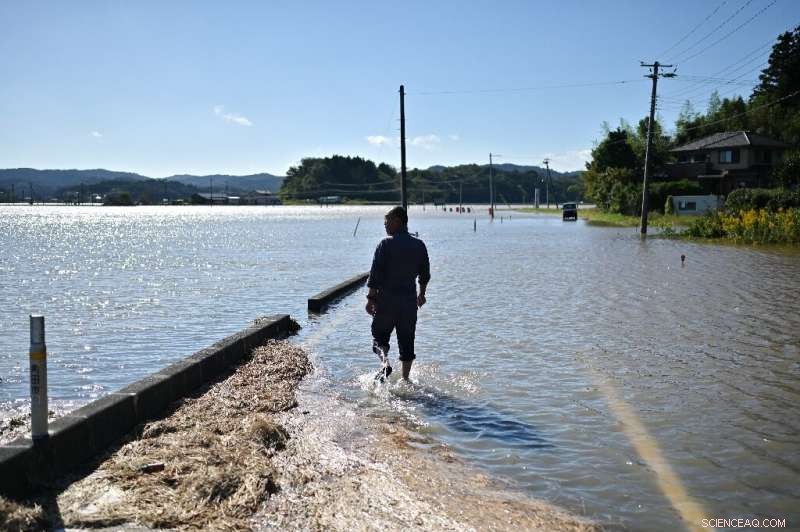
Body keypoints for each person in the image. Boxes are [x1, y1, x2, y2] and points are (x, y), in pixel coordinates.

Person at [365, 206, 430, 381]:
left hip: (387, 301)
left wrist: (371, 299)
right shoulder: (419, 245)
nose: (385, 226)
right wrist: (422, 294)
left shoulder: (385, 244)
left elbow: (375, 273)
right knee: (407, 342)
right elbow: (425, 274)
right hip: (408, 302)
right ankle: (406, 380)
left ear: (397, 221)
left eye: (387, 222)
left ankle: (385, 363)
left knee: (379, 338)